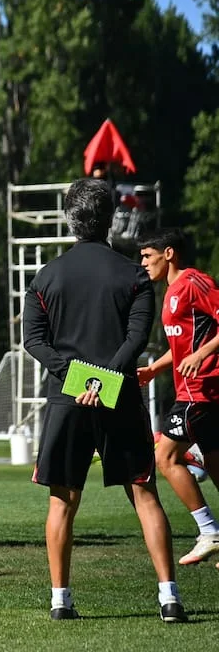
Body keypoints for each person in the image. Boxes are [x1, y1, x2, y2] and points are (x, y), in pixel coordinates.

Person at [23, 178, 186, 622]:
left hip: (67, 398)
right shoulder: (135, 275)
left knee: (62, 501)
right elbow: (137, 338)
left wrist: (77, 378)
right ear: (110, 218)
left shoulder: (45, 277)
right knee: (144, 494)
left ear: (68, 219)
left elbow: (33, 341)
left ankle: (60, 601)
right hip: (120, 396)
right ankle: (169, 598)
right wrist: (106, 379)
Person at [136, 229, 219, 567]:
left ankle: (209, 531)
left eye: (147, 256)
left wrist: (202, 355)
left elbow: (199, 346)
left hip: (201, 389)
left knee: (166, 457)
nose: (143, 263)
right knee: (214, 462)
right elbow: (182, 346)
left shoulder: (195, 282)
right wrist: (153, 369)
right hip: (195, 390)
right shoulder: (171, 291)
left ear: (168, 253)